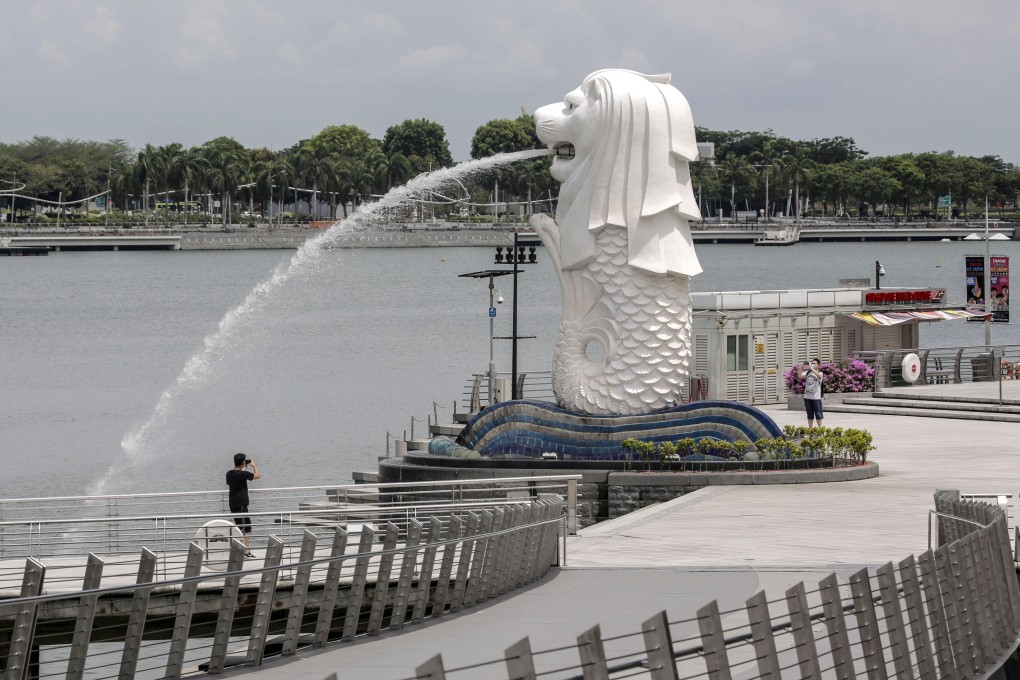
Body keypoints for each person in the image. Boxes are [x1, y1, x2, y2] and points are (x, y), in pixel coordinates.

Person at [226, 452, 261, 557]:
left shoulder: (229, 473)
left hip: (233, 504)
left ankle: (243, 551)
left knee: (241, 528)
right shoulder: (243, 474)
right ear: (242, 463)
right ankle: (245, 552)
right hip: (241, 505)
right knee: (244, 530)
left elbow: (233, 481)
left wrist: (242, 470)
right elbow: (257, 476)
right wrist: (254, 465)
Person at [799, 358, 824, 428]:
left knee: (818, 414)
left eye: (814, 363)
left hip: (816, 397)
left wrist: (811, 368)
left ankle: (820, 429)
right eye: (811, 363)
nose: (812, 364)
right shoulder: (808, 372)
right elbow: (800, 376)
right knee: (809, 414)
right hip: (807, 397)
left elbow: (819, 376)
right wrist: (800, 368)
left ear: (818, 365)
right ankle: (810, 429)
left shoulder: (820, 373)